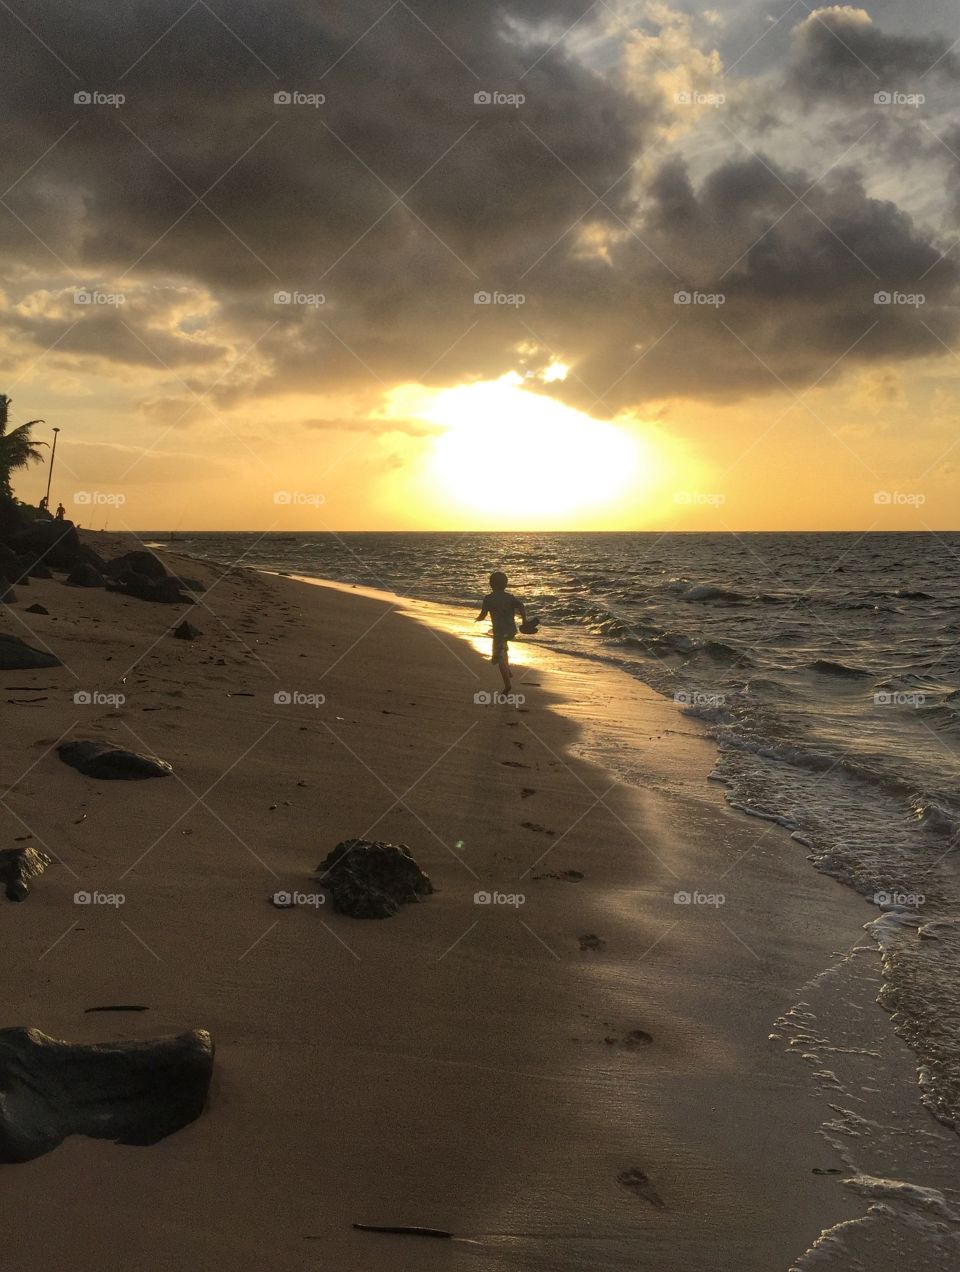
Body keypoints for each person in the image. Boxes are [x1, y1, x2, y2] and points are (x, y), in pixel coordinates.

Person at [476, 571, 526, 694]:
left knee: (499, 658)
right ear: (505, 584)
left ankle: (507, 685)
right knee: (504, 650)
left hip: (499, 632)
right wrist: (524, 620)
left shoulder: (488, 599)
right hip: (511, 630)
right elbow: (521, 606)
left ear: (490, 584)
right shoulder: (510, 597)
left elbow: (483, 614)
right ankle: (507, 668)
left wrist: (479, 619)